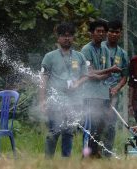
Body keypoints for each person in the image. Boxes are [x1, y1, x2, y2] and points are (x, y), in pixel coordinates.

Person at [39, 22, 88, 158]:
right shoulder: (49, 56)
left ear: (73, 38)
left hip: (73, 101)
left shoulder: (79, 56)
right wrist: (42, 101)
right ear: (58, 38)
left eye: (70, 35)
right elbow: (43, 80)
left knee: (68, 132)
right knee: (54, 131)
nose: (67, 38)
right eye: (64, 36)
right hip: (55, 100)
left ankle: (66, 160)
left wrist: (78, 83)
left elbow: (85, 75)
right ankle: (48, 161)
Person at [81, 20, 121, 158]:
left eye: (103, 31)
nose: (101, 34)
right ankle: (85, 156)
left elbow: (107, 74)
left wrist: (100, 74)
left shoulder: (104, 49)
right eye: (98, 31)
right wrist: (105, 72)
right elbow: (90, 74)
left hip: (104, 94)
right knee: (91, 127)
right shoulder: (86, 49)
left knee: (100, 127)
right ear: (91, 33)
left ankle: (93, 154)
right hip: (90, 95)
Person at [101, 20, 128, 157]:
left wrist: (117, 88)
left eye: (116, 32)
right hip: (97, 92)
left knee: (110, 124)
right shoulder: (99, 48)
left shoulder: (122, 54)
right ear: (107, 32)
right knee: (96, 121)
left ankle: (107, 154)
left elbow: (124, 76)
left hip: (113, 94)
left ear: (120, 34)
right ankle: (93, 153)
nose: (113, 34)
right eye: (111, 31)